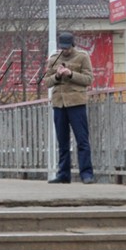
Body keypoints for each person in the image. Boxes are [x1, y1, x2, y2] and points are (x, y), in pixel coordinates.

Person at [42, 30, 95, 184]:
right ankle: (63, 174)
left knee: (82, 140)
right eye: (63, 48)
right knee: (62, 141)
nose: (65, 50)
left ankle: (86, 173)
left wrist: (70, 74)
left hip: (76, 103)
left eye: (67, 48)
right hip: (59, 103)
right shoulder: (54, 59)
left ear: (73, 45)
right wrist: (57, 76)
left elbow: (88, 79)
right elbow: (46, 82)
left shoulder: (82, 57)